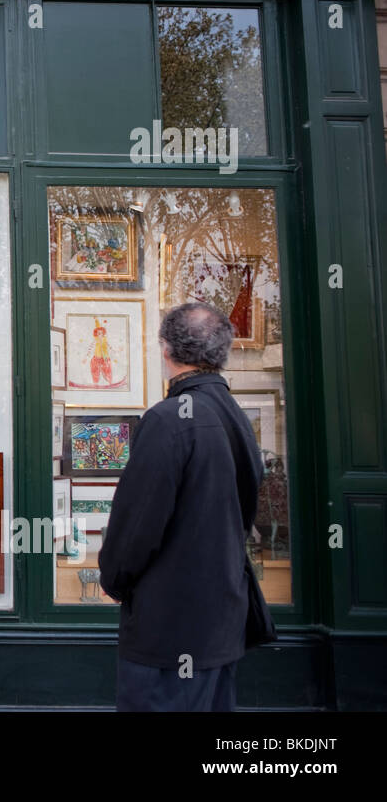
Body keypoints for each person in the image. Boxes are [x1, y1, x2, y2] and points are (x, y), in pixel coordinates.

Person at [98, 302, 263, 711]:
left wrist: (114, 579)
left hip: (169, 630)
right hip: (221, 623)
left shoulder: (169, 419)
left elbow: (136, 526)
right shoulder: (236, 417)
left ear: (166, 349)